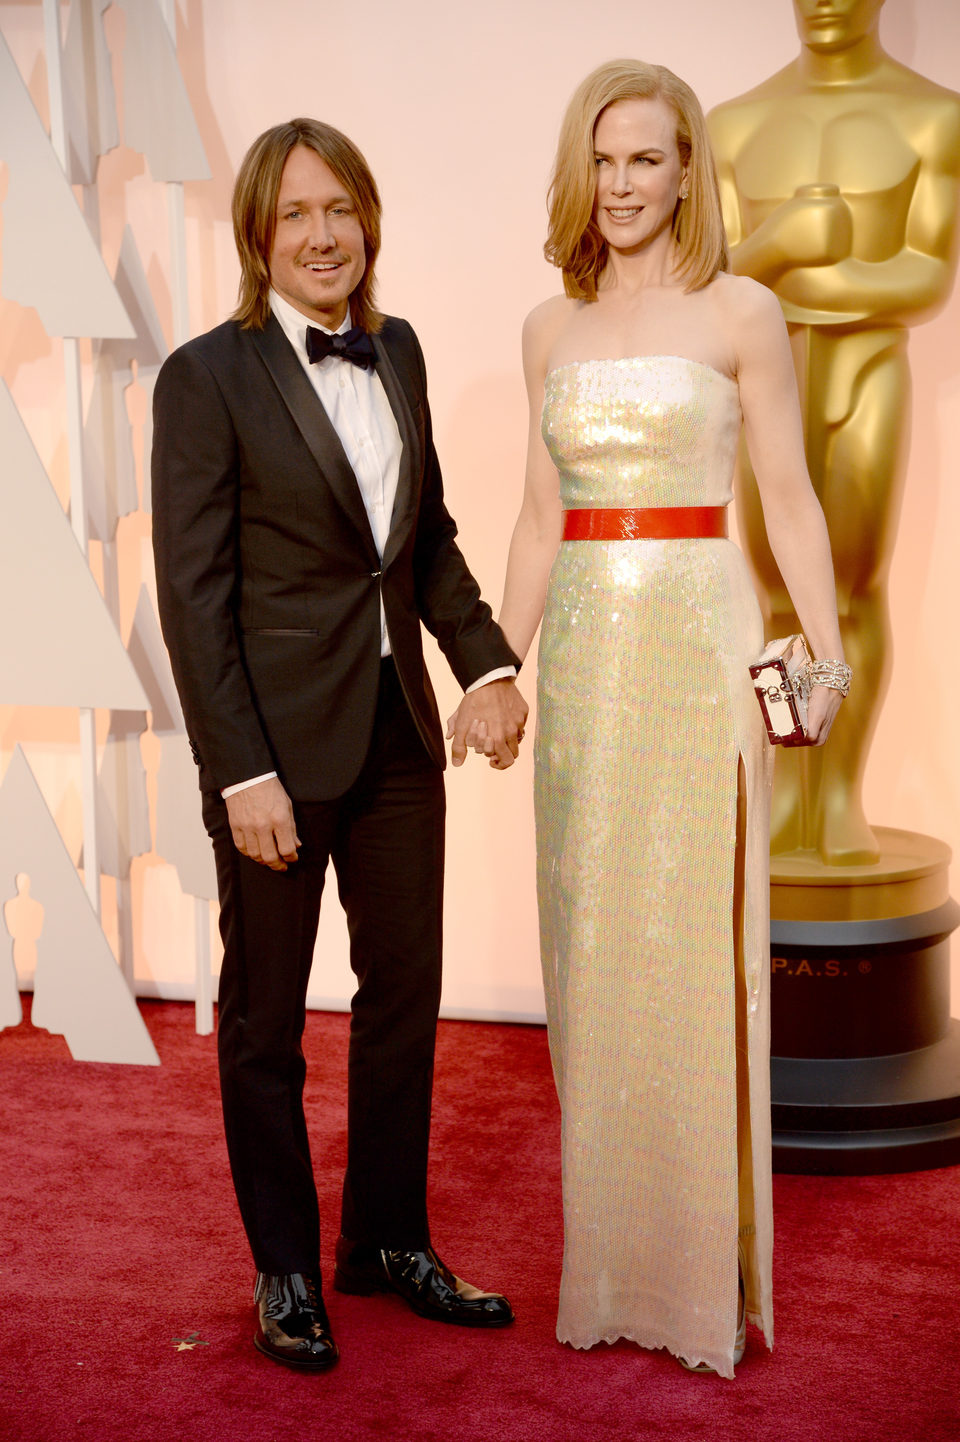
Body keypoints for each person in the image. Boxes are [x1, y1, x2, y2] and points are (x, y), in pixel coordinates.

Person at [151, 117, 527, 1371]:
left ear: (368, 219)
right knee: (265, 1019)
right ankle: (286, 1269)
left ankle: (383, 1239)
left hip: (396, 733)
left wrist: (488, 661)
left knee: (404, 998)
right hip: (271, 752)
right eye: (295, 215)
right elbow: (194, 598)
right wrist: (238, 771)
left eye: (340, 210)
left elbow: (426, 542)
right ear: (259, 235)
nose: (323, 235)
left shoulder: (399, 348)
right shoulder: (206, 377)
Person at [495, 60, 850, 1377]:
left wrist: (831, 651)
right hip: (588, 650)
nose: (625, 184)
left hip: (702, 643)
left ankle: (701, 1285)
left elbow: (792, 499)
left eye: (647, 159)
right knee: (593, 954)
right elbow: (537, 519)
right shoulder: (548, 326)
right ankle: (612, 1266)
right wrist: (495, 668)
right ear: (582, 174)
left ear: (688, 169)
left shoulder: (744, 313)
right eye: (606, 160)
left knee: (694, 956)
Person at [707, 0, 960, 866]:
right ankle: (790, 783)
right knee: (774, 589)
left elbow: (928, 273)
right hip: (761, 379)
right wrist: (781, 244)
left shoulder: (934, 116)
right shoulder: (734, 125)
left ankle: (841, 791)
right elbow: (715, 276)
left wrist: (802, 278)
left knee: (852, 588)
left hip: (865, 371)